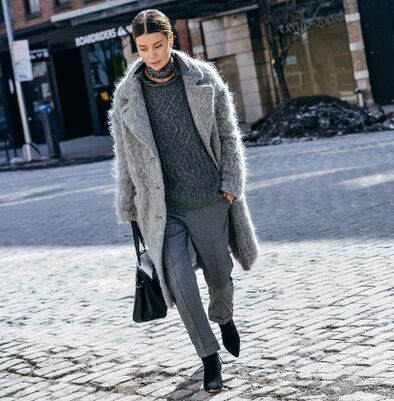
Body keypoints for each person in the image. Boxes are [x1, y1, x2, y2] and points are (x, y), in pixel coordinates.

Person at [108, 9, 259, 393]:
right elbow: (124, 157)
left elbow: (228, 133)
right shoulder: (127, 96)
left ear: (171, 40)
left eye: (158, 45)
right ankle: (209, 357)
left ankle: (224, 316)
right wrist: (129, 206)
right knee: (179, 284)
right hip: (163, 209)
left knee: (220, 278)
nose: (152, 55)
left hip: (209, 198)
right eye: (143, 48)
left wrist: (231, 183)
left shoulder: (204, 78)